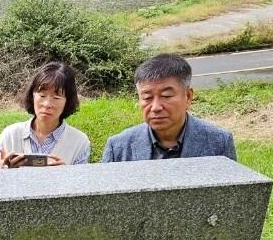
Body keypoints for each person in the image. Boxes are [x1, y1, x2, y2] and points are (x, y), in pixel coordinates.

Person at [101, 53, 237, 162]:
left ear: (188, 96)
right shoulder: (119, 147)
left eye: (166, 96)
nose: (155, 107)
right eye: (147, 98)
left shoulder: (219, 142)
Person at [0, 61, 91, 169]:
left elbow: (80, 185)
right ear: (33, 95)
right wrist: (2, 171)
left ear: (68, 101)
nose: (47, 104)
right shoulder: (10, 135)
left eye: (56, 98)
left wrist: (65, 176)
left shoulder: (79, 142)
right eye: (42, 95)